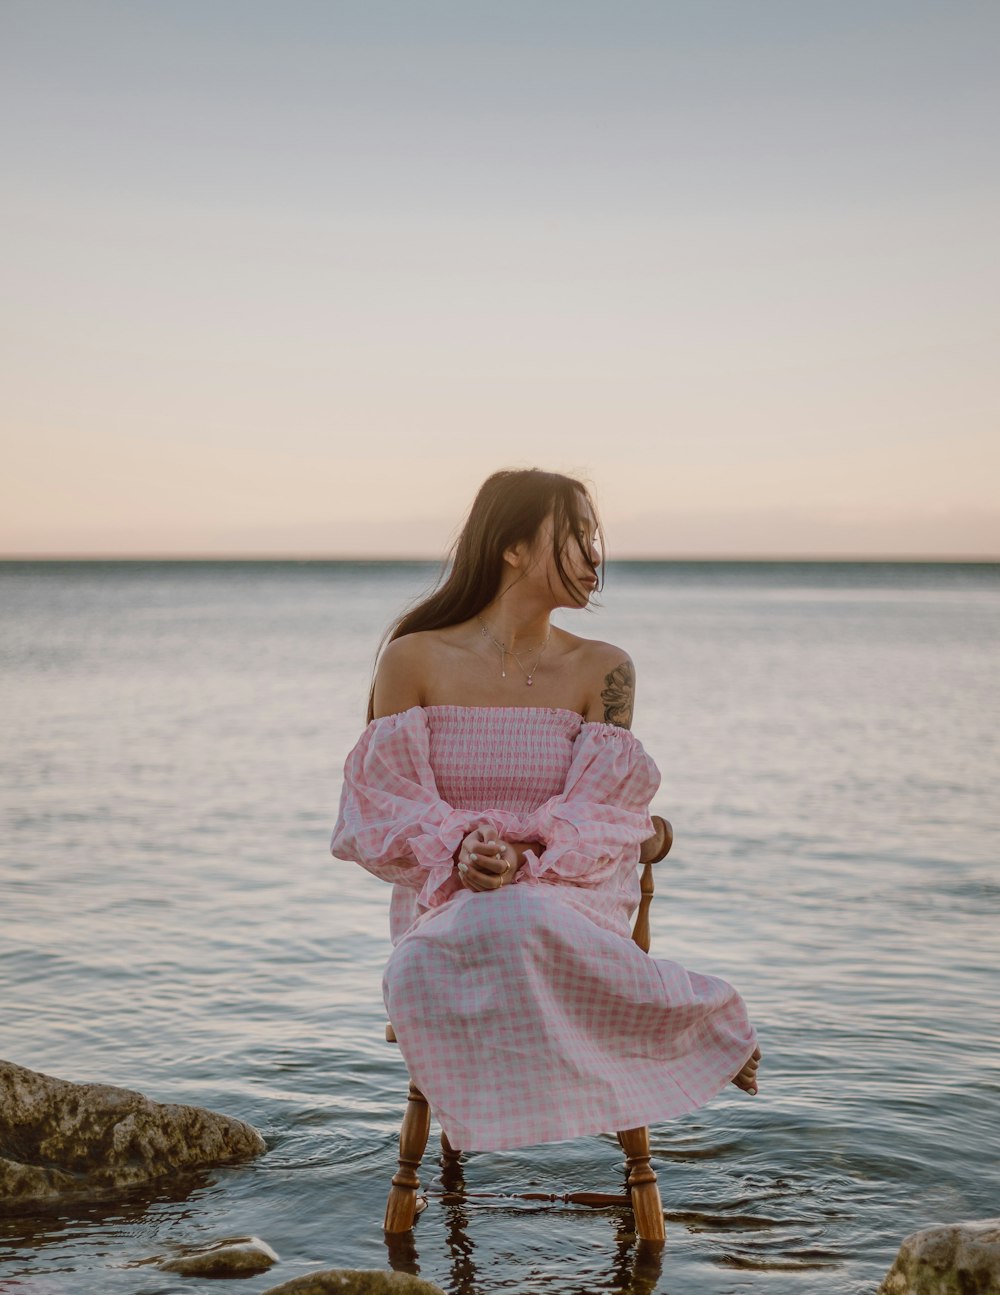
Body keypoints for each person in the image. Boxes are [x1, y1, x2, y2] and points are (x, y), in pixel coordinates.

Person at [330, 467, 761, 1153]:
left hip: (569, 901)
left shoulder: (604, 669)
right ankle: (683, 1021)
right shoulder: (412, 659)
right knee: (420, 963)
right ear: (513, 548)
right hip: (443, 910)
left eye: (596, 537)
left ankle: (697, 1021)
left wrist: (523, 855)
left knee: (525, 910)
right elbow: (380, 809)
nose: (596, 556)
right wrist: (458, 850)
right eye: (577, 535)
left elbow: (606, 814)